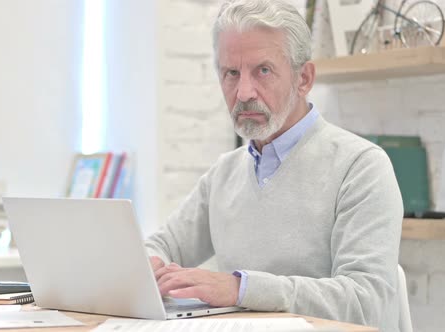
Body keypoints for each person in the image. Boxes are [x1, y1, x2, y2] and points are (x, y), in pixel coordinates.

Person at [145, 0, 403, 331]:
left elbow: (366, 302)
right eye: (231, 73)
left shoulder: (361, 167)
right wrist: (147, 266)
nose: (243, 92)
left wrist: (241, 289)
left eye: (263, 71)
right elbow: (164, 245)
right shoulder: (225, 172)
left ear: (304, 78)